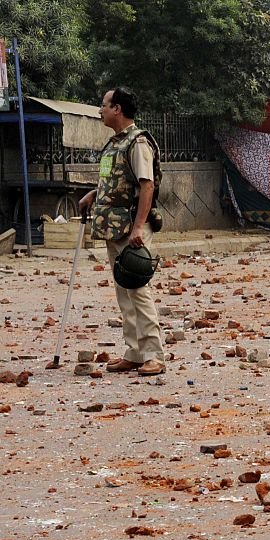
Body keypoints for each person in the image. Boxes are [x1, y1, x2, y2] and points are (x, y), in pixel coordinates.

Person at [78, 87, 166, 376]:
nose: (100, 110)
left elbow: (147, 185)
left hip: (132, 228)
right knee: (123, 290)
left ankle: (154, 354)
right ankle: (135, 352)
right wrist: (94, 193)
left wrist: (139, 226)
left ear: (117, 108)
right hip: (113, 226)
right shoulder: (115, 143)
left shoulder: (138, 143)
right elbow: (118, 182)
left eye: (103, 105)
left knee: (137, 288)